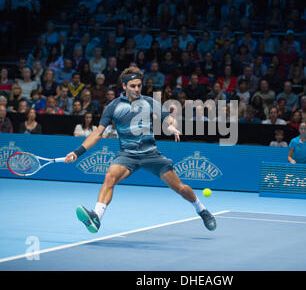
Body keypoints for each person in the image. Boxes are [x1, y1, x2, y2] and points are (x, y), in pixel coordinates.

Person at [64, 67, 217, 234]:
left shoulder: (149, 102)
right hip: (127, 155)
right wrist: (77, 152)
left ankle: (201, 210)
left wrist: (171, 126)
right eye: (133, 86)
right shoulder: (113, 106)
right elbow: (97, 133)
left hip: (151, 154)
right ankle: (96, 218)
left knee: (180, 188)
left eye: (139, 85)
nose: (137, 89)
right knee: (110, 177)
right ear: (124, 86)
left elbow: (168, 118)